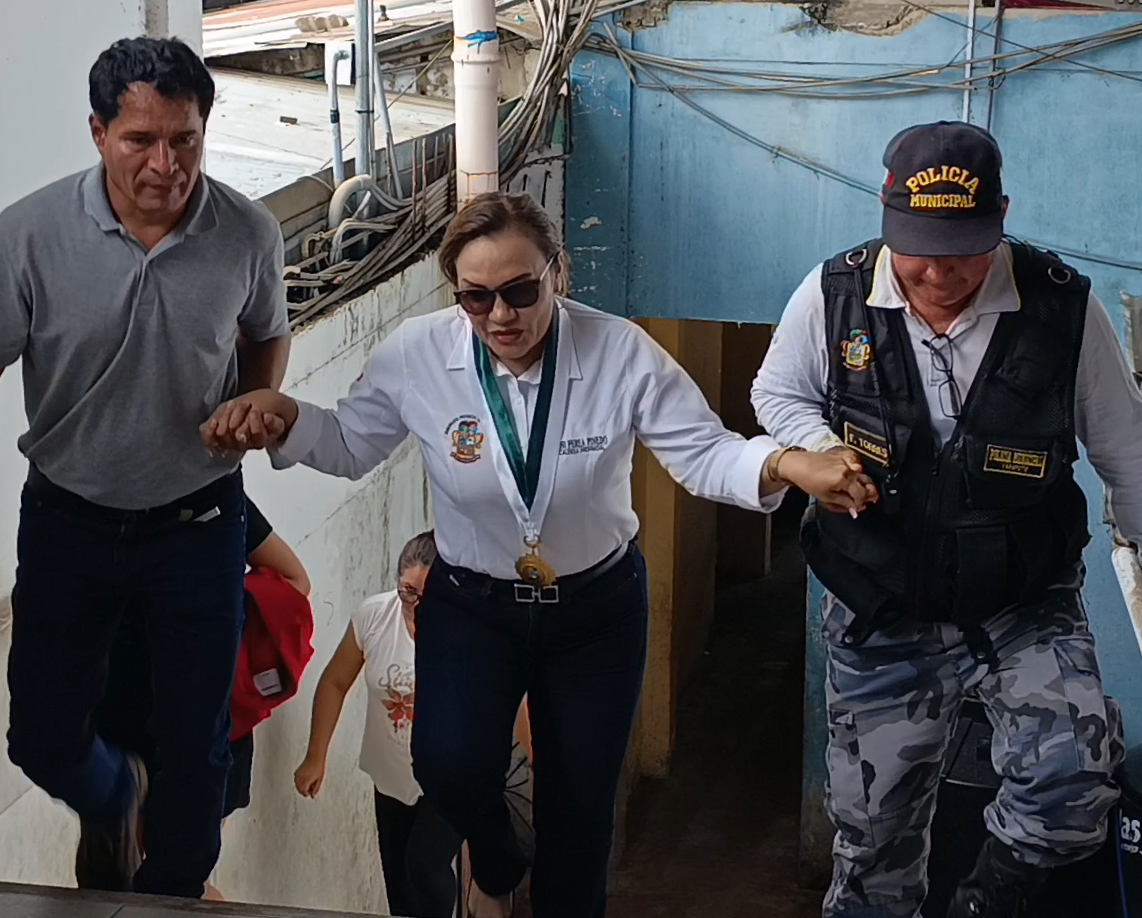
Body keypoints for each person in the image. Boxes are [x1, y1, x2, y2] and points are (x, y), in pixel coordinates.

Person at [209, 191, 873, 918]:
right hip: (474, 605)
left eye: (521, 291)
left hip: (595, 612)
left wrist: (785, 464)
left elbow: (703, 452)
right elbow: (349, 443)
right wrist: (286, 417)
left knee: (579, 813)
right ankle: (498, 858)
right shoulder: (417, 354)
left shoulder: (619, 351)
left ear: (557, 271)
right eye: (476, 297)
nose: (501, 315)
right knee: (447, 763)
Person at [749, 121, 1142, 918]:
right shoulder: (834, 295)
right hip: (880, 604)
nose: (938, 272)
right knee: (874, 845)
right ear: (887, 219)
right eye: (918, 248)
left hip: (1020, 602)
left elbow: (1129, 450)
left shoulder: (1060, 308)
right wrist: (818, 448)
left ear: (1001, 218)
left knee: (1071, 789)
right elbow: (776, 393)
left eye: (961, 249)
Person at [0, 36, 292, 899]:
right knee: (41, 740)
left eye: (185, 140)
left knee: (198, 751)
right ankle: (115, 793)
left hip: (199, 523)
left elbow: (267, 331)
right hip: (68, 522)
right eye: (140, 141)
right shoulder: (29, 235)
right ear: (97, 133)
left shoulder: (247, 232)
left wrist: (254, 403)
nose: (166, 165)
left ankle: (170, 893)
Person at [94, 492, 311, 898]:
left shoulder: (90, 484)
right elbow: (295, 581)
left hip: (141, 716)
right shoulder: (207, 487)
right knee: (181, 883)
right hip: (203, 717)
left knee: (135, 879)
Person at [293, 530, 463, 917]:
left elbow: (512, 700)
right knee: (400, 886)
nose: (415, 605)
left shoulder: (468, 626)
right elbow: (335, 682)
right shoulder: (375, 616)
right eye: (408, 592)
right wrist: (316, 756)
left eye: (428, 595)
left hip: (451, 774)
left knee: (426, 867)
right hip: (391, 773)